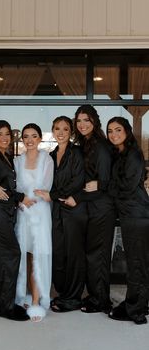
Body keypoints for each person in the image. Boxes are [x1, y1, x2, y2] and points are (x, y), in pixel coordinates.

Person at [0, 120, 34, 321]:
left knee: (1, 258)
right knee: (12, 254)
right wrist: (21, 197)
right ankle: (5, 306)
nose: (4, 138)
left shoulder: (6, 156)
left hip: (5, 214)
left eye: (7, 134)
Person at [36, 116, 87, 313]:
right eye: (57, 128)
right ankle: (63, 292)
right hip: (56, 209)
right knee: (59, 252)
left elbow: (77, 181)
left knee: (73, 254)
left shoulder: (76, 153)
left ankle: (73, 298)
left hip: (73, 210)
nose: (61, 132)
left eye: (65, 129)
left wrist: (52, 195)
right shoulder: (51, 154)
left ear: (71, 132)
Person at [73, 105, 116, 313]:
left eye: (86, 121)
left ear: (94, 122)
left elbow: (107, 179)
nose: (82, 125)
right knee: (92, 253)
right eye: (79, 121)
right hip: (92, 206)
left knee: (98, 255)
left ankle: (102, 300)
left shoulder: (100, 146)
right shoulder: (86, 144)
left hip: (102, 207)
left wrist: (98, 185)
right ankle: (95, 296)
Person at [107, 117, 149, 325]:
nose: (114, 134)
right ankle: (140, 302)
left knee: (136, 263)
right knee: (139, 263)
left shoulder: (133, 154)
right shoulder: (121, 154)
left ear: (127, 131)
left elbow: (127, 187)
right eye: (110, 131)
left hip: (137, 215)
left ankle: (135, 310)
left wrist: (108, 187)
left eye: (118, 130)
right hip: (130, 213)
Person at [14, 123, 54, 322]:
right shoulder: (16, 161)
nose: (30, 140)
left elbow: (45, 188)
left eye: (34, 136)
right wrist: (22, 201)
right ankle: (23, 297)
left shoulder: (47, 159)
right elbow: (15, 186)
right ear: (22, 140)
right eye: (26, 136)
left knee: (38, 254)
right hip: (22, 212)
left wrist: (29, 197)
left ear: (40, 139)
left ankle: (37, 301)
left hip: (40, 213)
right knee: (24, 255)